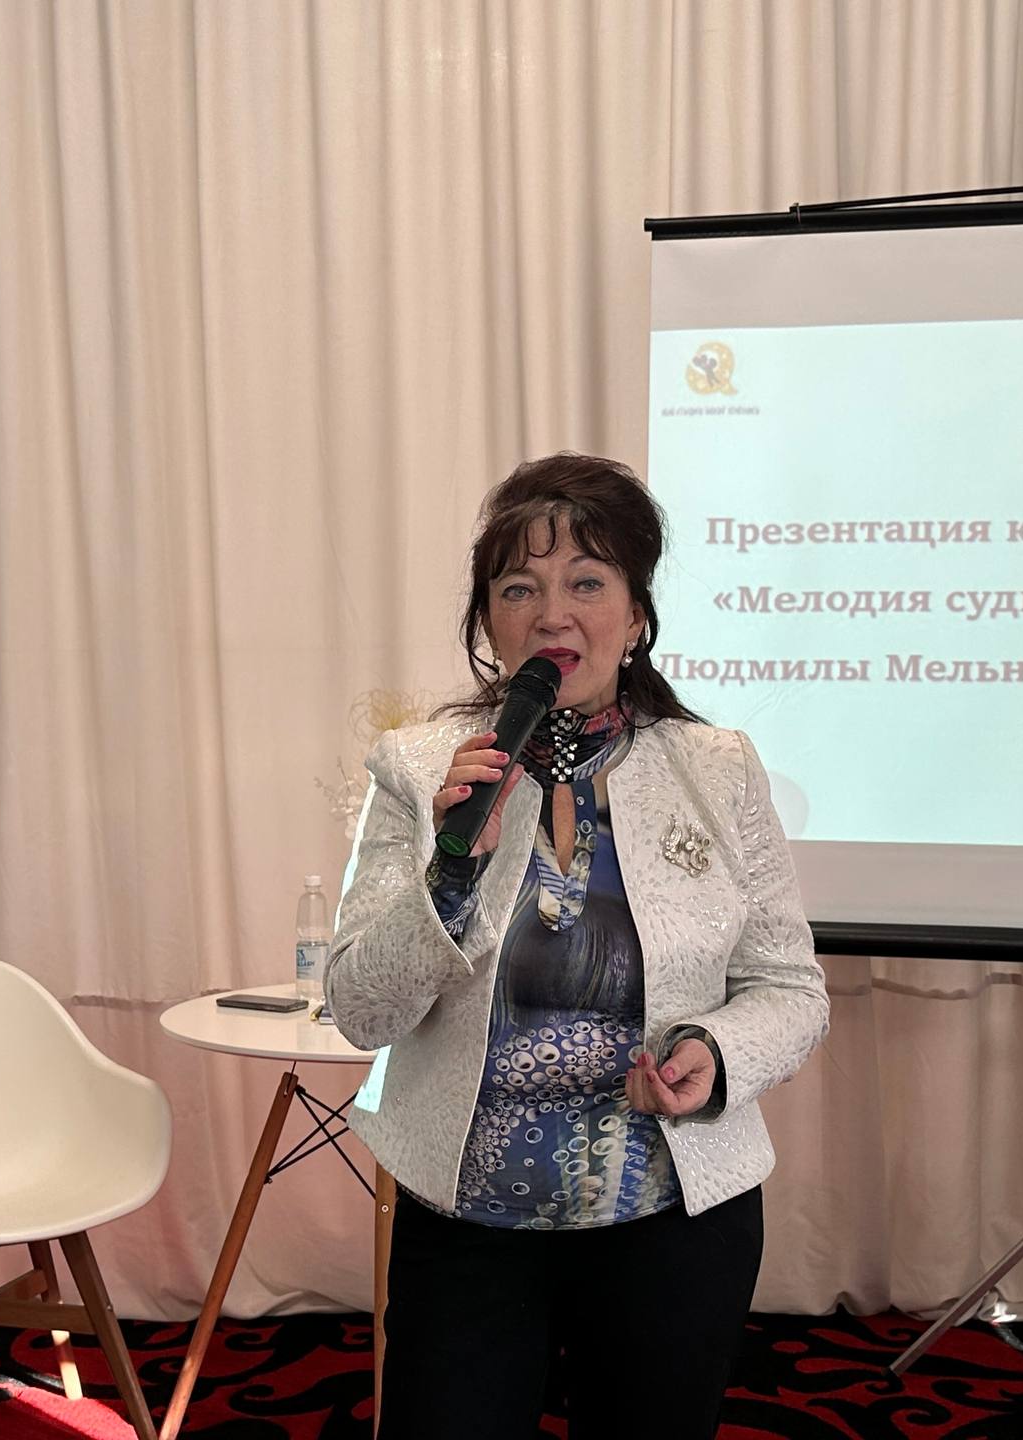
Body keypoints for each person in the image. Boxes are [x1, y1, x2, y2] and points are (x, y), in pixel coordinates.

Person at [325, 453, 829, 1438]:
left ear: (636, 616)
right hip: (468, 1219)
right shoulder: (420, 770)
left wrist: (715, 1052)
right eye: (520, 588)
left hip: (673, 1214)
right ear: (488, 622)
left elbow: (789, 988)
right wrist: (451, 870)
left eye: (586, 583)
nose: (553, 614)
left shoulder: (716, 768)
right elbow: (360, 1010)